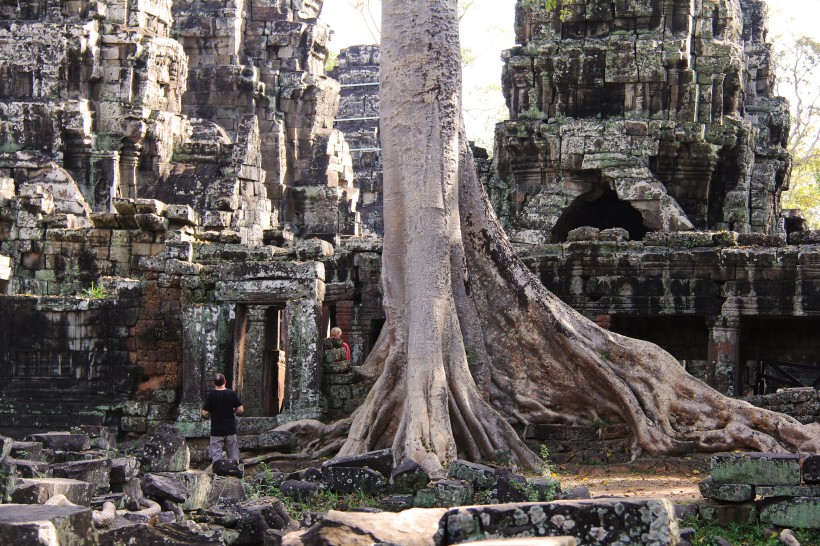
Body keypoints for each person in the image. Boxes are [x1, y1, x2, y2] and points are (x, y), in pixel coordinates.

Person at [201, 373, 244, 463]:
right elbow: (240, 410)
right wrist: (232, 411)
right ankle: (233, 473)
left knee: (216, 457)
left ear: (214, 383)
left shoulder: (211, 395)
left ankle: (217, 474)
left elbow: (204, 413)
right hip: (230, 429)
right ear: (225, 382)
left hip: (216, 429)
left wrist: (212, 411)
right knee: (233, 456)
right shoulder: (231, 393)